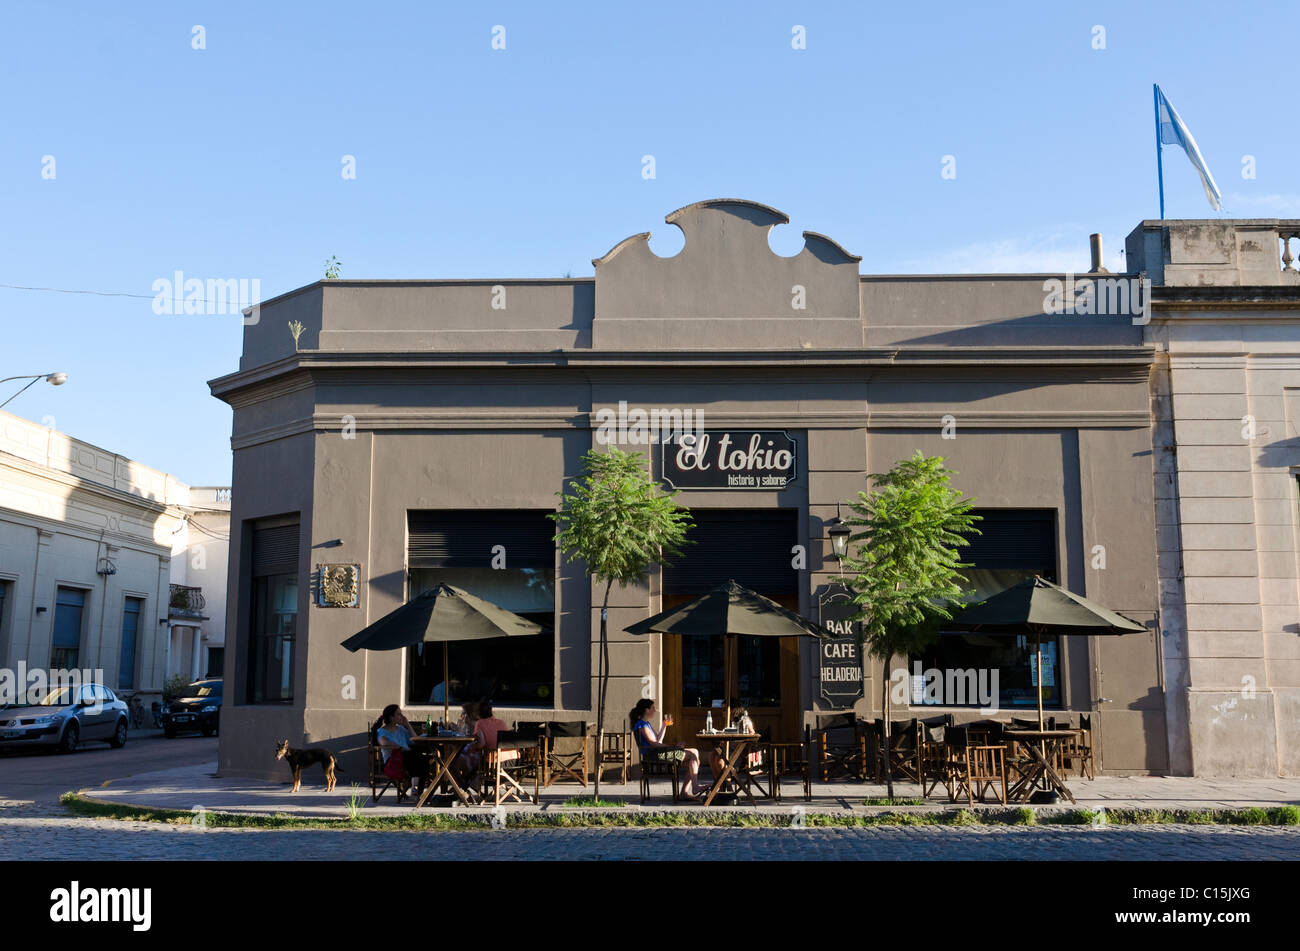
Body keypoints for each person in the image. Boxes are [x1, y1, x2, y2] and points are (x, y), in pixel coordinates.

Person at [629, 699, 717, 801]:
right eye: (653, 708)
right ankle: (695, 787)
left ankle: (684, 792)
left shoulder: (646, 724)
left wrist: (664, 726)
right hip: (655, 756)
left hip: (657, 754)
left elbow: (658, 740)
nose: (655, 710)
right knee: (693, 755)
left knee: (695, 756)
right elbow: (653, 743)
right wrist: (673, 748)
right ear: (647, 710)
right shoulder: (642, 725)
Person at [373, 704, 427, 802]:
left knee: (424, 759)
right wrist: (399, 747)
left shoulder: (401, 729)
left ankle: (418, 792)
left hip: (408, 758)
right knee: (416, 757)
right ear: (391, 717)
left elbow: (415, 740)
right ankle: (416, 790)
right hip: (393, 761)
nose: (401, 716)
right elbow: (383, 742)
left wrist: (407, 725)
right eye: (398, 714)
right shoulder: (382, 731)